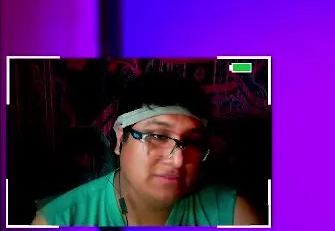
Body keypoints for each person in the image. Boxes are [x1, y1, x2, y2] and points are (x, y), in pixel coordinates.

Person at [32, 71, 263, 226]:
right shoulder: (59, 220)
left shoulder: (232, 216)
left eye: (191, 142)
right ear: (120, 138)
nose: (178, 161)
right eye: (158, 136)